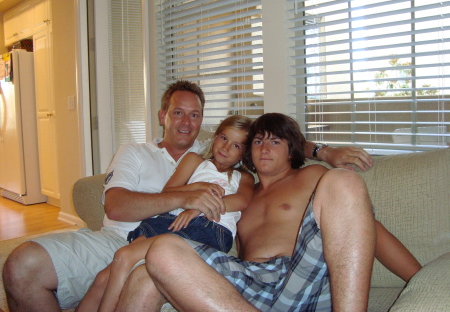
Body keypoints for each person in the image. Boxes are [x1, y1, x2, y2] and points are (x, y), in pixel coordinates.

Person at [2, 79, 373, 312]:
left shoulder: (218, 156)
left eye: (195, 115)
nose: (185, 121)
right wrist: (187, 197)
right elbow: (115, 205)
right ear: (162, 115)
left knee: (150, 263)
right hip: (120, 238)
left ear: (203, 122)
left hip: (183, 245)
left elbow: (267, 140)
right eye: (177, 112)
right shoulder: (136, 153)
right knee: (21, 265)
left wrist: (321, 149)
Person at [115, 113, 419, 312]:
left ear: (291, 150)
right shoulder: (241, 193)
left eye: (275, 142)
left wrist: (419, 279)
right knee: (159, 256)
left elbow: (365, 229)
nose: (264, 148)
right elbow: (220, 144)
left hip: (300, 278)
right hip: (247, 287)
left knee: (343, 180)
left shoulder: (311, 178)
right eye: (258, 141)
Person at [76, 115, 254, 312]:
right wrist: (197, 187)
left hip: (211, 229)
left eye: (237, 146)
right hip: (173, 222)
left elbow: (242, 201)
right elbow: (168, 192)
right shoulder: (194, 160)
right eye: (224, 138)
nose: (226, 148)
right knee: (104, 277)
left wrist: (197, 209)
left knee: (124, 256)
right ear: (216, 137)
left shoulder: (242, 176)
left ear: (244, 154)